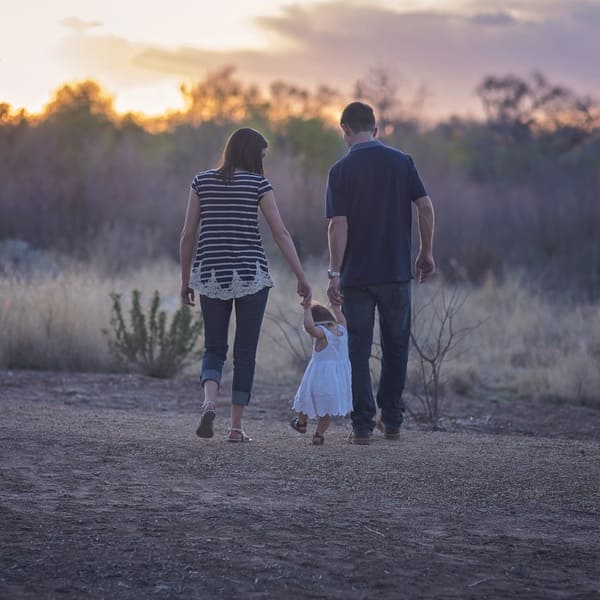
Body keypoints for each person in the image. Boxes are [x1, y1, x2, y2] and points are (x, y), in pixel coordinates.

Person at [180, 127, 311, 442]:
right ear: (253, 154)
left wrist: (186, 280)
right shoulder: (258, 184)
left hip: (210, 275)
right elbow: (280, 233)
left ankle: (209, 402)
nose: (263, 161)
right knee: (245, 352)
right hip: (251, 276)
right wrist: (301, 275)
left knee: (214, 347)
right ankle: (236, 428)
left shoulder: (201, 182)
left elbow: (187, 235)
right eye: (262, 155)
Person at [326, 102, 435, 445]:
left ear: (344, 130)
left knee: (357, 349)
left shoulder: (340, 170)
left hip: (357, 277)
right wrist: (425, 251)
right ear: (375, 129)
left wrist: (334, 272)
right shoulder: (402, 162)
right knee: (396, 346)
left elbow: (337, 226)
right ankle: (392, 420)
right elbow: (426, 206)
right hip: (396, 272)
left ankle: (361, 426)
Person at [290, 301, 352, 445]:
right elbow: (342, 319)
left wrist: (306, 309)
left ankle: (301, 423)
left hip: (318, 378)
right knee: (326, 411)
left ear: (317, 321)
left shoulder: (323, 334)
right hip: (336, 381)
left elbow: (309, 327)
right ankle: (319, 435)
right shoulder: (342, 330)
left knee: (303, 401)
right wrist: (336, 308)